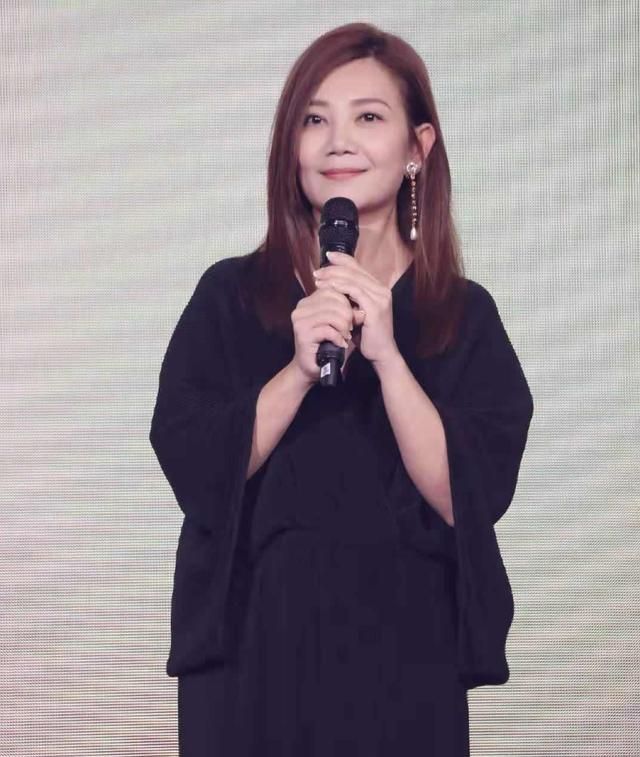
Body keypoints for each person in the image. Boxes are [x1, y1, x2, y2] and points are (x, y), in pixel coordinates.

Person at [150, 22, 533, 757]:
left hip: (406, 655)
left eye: (368, 117)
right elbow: (195, 469)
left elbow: (470, 496)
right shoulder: (233, 295)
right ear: (291, 147)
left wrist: (388, 357)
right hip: (253, 652)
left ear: (418, 147)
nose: (338, 142)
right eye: (314, 120)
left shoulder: (461, 313)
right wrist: (296, 371)